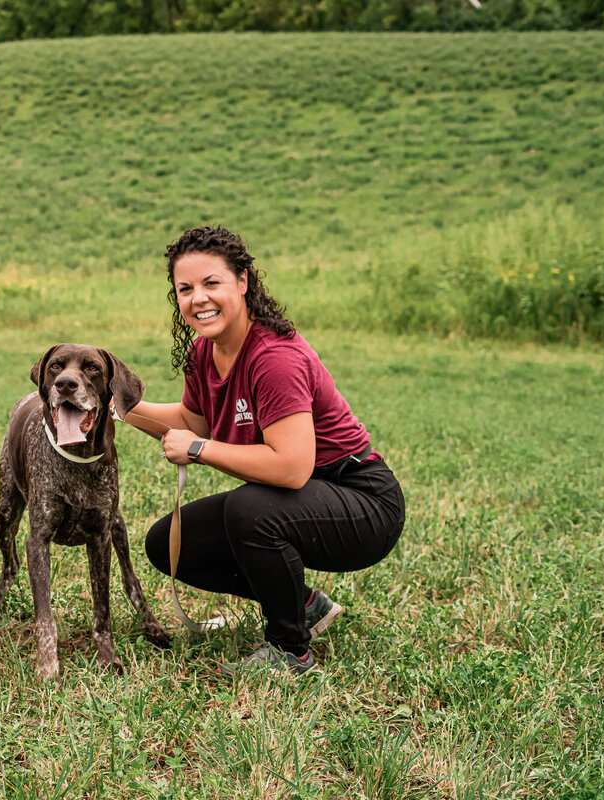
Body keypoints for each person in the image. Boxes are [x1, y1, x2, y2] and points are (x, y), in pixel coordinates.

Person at [128, 226, 405, 675]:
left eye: (211, 283)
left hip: (363, 503)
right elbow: (191, 421)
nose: (198, 298)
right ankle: (305, 607)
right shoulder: (203, 352)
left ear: (243, 281)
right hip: (302, 500)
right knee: (170, 544)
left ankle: (289, 650)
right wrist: (116, 407)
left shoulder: (273, 357)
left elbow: (293, 469)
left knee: (250, 508)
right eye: (185, 288)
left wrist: (198, 449)